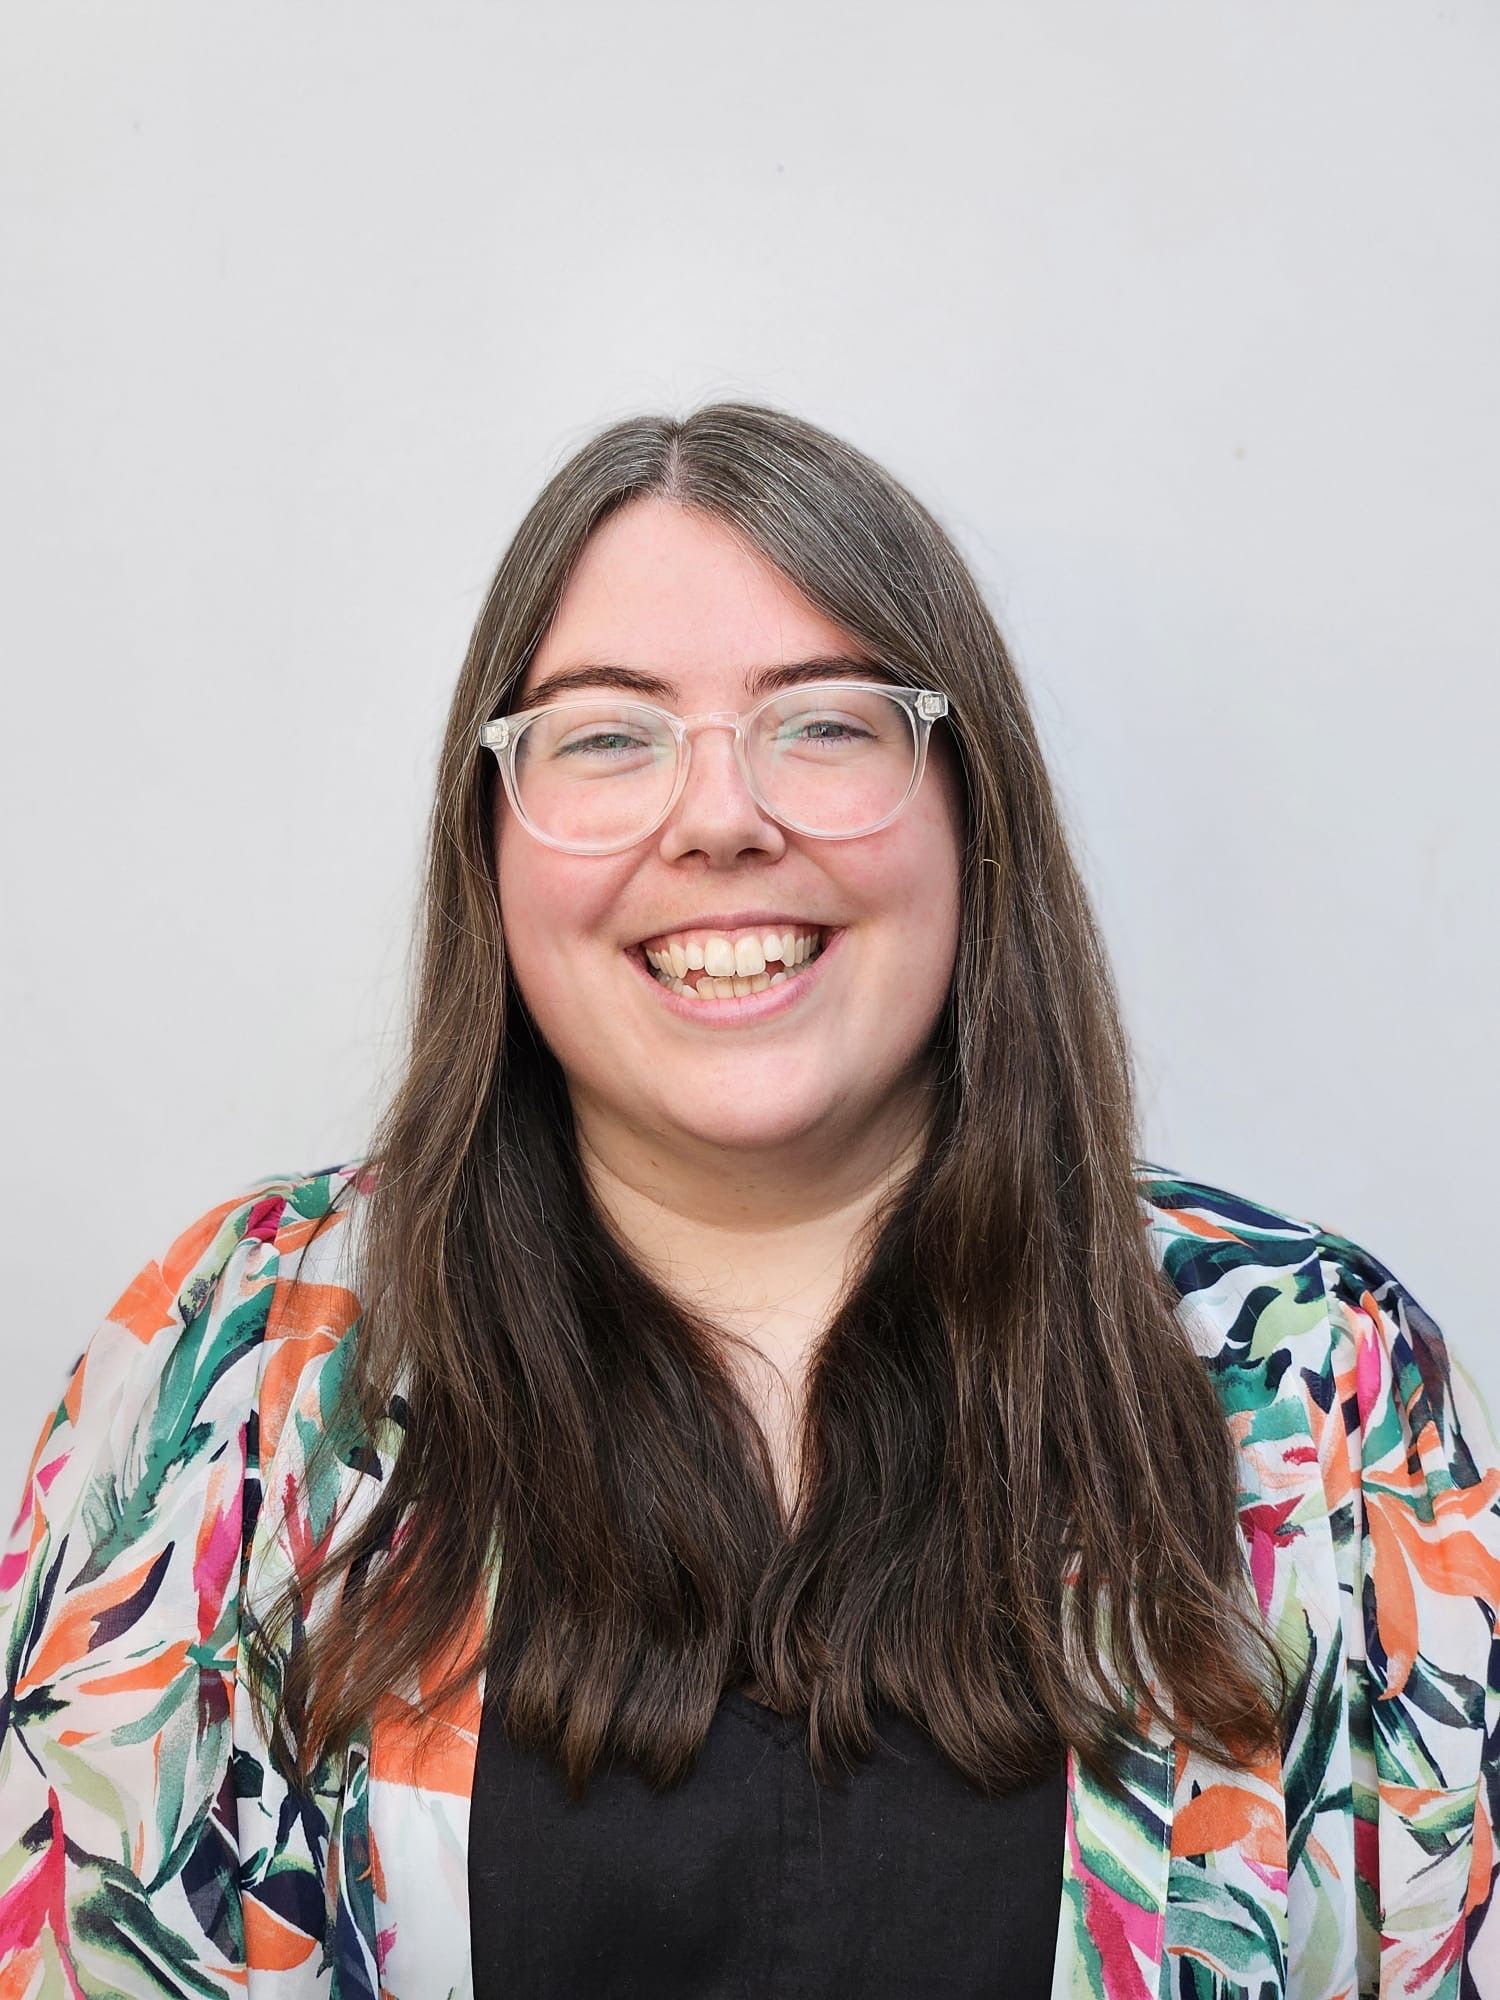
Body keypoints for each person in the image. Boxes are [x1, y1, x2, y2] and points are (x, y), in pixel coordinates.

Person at [1, 402, 1496, 1999]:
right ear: (488, 841)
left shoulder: (1316, 1384)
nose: (721, 818)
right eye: (605, 735)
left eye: (828, 724)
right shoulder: (231, 1373)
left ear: (971, 812)